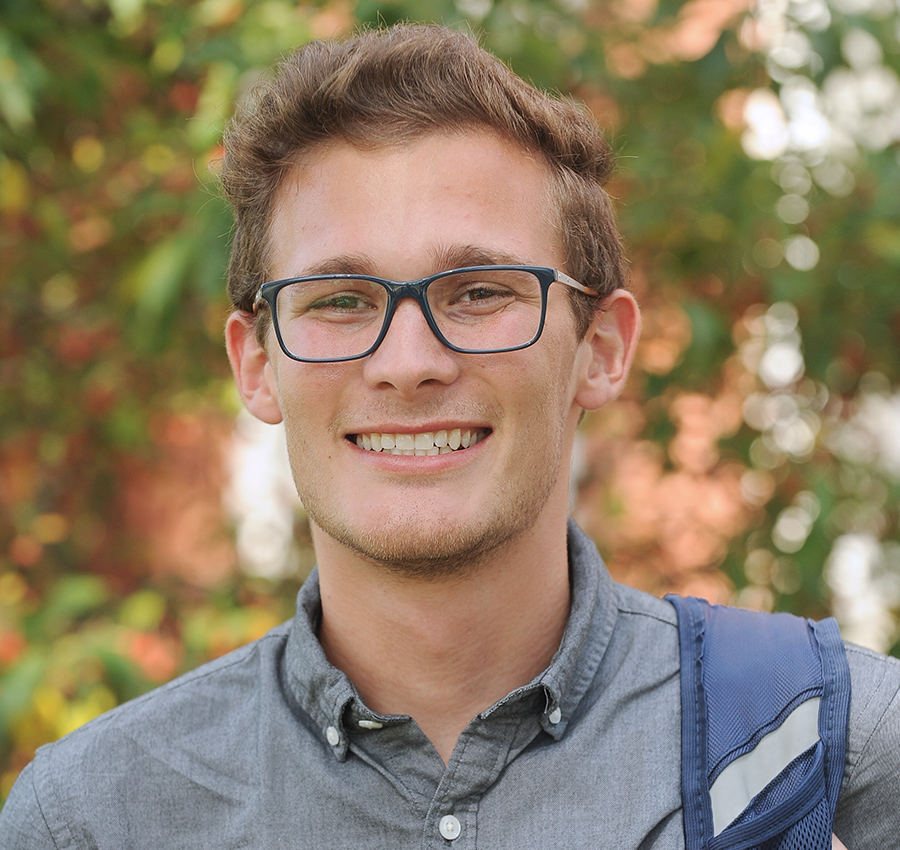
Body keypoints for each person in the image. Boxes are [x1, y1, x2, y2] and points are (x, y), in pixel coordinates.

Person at [1, 24, 898, 849]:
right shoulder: (94, 817)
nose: (408, 362)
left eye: (478, 293)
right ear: (256, 365)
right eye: (340, 302)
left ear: (602, 348)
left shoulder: (834, 753)